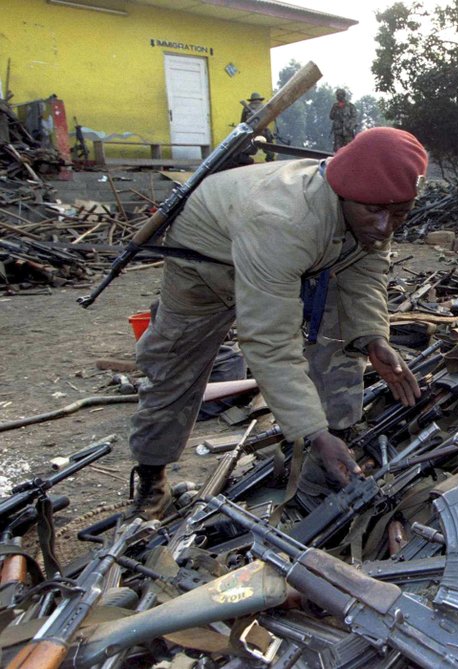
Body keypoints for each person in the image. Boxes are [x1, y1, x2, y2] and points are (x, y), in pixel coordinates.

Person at [128, 127, 428, 519]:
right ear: (344, 192)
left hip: (303, 256)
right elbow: (269, 341)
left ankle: (330, 456)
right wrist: (310, 430)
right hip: (205, 262)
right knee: (175, 362)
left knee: (339, 342)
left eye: (400, 214)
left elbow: (366, 272)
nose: (386, 226)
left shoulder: (374, 205)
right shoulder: (284, 220)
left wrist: (373, 337)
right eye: (376, 211)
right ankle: (152, 479)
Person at [240, 91, 275, 162]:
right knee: (270, 146)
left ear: (251, 100)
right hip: (263, 130)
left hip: (250, 132)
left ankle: (246, 160)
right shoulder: (263, 107)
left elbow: (242, 122)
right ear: (260, 99)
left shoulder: (246, 108)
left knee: (242, 148)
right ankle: (270, 158)